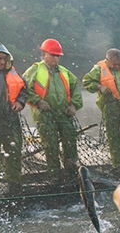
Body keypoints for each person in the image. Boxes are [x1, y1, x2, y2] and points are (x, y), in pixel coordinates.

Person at [23, 39, 83, 174]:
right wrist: (38, 101)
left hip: (64, 114)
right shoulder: (35, 69)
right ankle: (54, 176)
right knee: (51, 146)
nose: (56, 58)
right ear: (44, 54)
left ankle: (72, 174)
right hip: (45, 115)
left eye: (58, 56)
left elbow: (76, 89)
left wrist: (74, 106)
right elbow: (23, 88)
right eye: (53, 55)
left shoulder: (65, 72)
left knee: (70, 144)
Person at [0, 41, 27, 186]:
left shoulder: (13, 72)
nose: (2, 61)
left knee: (14, 154)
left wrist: (20, 102)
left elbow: (24, 90)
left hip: (11, 121)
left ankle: (14, 185)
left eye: (4, 59)